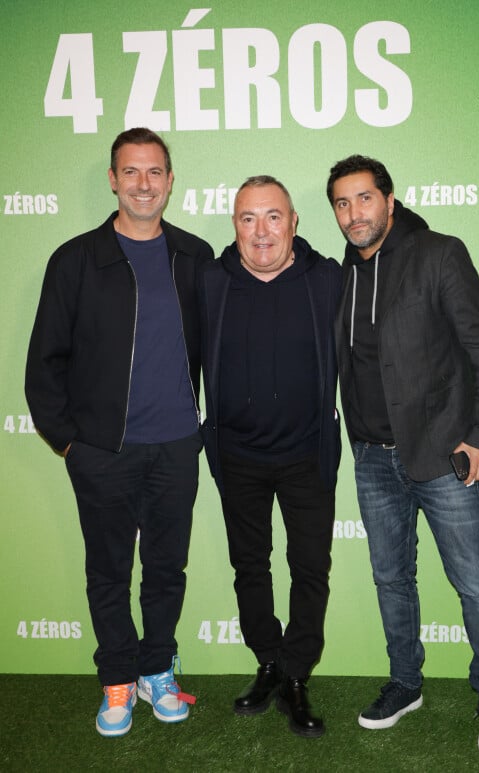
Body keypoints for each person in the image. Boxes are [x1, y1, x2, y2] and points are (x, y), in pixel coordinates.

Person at [25, 127, 214, 737]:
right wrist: (69, 441)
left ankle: (158, 668)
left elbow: (222, 345)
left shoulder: (195, 255)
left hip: (177, 446)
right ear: (112, 180)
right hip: (102, 452)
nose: (142, 184)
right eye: (130, 172)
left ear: (169, 180)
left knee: (166, 568)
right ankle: (116, 679)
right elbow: (44, 362)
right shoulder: (75, 260)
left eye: (154, 171)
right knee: (108, 570)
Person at [326, 155, 479, 760]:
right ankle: (406, 683)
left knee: (475, 584)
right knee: (391, 579)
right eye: (342, 203)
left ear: (388, 199)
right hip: (372, 458)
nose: (354, 213)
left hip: (444, 454)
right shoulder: (342, 276)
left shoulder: (439, 253)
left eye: (363, 199)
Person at [198, 175, 341, 738]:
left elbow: (393, 251)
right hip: (237, 456)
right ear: (234, 225)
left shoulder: (327, 277)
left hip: (307, 454)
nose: (261, 232)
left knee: (311, 568)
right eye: (247, 218)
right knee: (249, 567)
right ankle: (269, 663)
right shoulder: (209, 281)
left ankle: (298, 674)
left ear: (294, 222)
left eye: (273, 217)